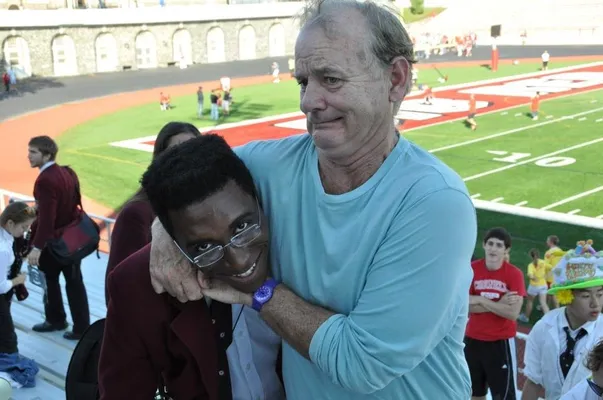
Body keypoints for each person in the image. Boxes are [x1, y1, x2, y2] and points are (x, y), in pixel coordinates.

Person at [148, 0, 477, 398]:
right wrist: (165, 235)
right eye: (304, 82)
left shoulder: (434, 203)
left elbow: (362, 363)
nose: (308, 101)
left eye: (331, 79)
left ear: (395, 79)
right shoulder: (270, 166)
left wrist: (260, 291)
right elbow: (184, 188)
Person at [98, 135, 285, 400]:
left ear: (258, 199)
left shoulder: (297, 235)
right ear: (175, 244)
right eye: (204, 247)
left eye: (242, 227)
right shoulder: (136, 286)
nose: (239, 261)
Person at [104, 122, 201, 305]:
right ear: (160, 160)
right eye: (175, 152)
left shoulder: (200, 205)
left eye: (194, 150)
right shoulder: (136, 213)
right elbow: (116, 288)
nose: (186, 159)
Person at [26, 135, 90, 340]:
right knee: (74, 282)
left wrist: (37, 247)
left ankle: (56, 320)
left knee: (51, 280)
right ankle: (81, 327)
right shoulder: (66, 172)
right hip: (71, 239)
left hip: (53, 242)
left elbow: (46, 219)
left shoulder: (45, 180)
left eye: (33, 152)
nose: (28, 156)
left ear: (46, 155)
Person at [522, 241, 603, 400]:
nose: (596, 303)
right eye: (586, 296)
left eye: (600, 294)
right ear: (566, 296)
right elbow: (533, 381)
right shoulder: (543, 327)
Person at [466, 227, 526, 400]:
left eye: (499, 245)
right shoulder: (472, 269)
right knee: (474, 393)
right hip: (473, 340)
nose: (493, 248)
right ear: (484, 246)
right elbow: (463, 305)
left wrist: (480, 300)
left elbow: (512, 313)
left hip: (500, 343)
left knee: (504, 396)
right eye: (490, 244)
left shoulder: (514, 274)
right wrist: (497, 304)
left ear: (506, 250)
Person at [0, 201, 39, 388]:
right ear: (10, 224)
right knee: (8, 338)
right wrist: (19, 280)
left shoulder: (6, 237)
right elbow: (0, 286)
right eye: (23, 227)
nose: (25, 231)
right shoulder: (2, 248)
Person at [518, 248, 552, 323]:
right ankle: (549, 319)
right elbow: (551, 268)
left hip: (534, 286)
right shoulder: (543, 262)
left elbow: (530, 275)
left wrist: (534, 278)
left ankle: (526, 317)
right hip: (543, 285)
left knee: (530, 301)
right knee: (543, 303)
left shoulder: (531, 265)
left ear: (531, 256)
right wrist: (546, 276)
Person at [545, 235, 565, 310]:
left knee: (552, 294)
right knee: (550, 293)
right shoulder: (560, 251)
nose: (546, 242)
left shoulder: (549, 252)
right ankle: (545, 305)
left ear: (550, 242)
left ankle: (556, 309)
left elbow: (546, 265)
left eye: (547, 240)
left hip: (550, 276)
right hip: (558, 275)